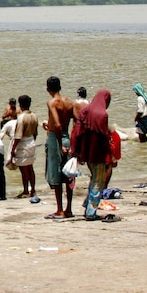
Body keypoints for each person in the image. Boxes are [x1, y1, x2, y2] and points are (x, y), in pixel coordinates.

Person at [71, 90, 114, 220]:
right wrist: (111, 154)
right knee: (98, 182)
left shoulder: (85, 111)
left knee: (94, 178)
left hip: (87, 152)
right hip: (99, 153)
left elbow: (76, 132)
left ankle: (87, 203)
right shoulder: (102, 114)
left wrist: (76, 151)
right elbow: (104, 136)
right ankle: (91, 211)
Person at [44, 76, 75, 220]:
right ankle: (69, 208)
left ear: (48, 89)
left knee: (56, 173)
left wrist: (59, 143)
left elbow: (56, 124)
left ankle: (59, 210)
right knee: (69, 174)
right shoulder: (69, 102)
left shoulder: (52, 102)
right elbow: (77, 121)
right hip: (67, 137)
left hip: (55, 139)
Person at [11, 95, 39, 198]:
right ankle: (33, 190)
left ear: (20, 104)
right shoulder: (34, 116)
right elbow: (36, 132)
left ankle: (26, 190)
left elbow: (18, 136)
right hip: (32, 141)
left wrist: (13, 149)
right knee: (30, 167)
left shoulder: (21, 117)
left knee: (23, 169)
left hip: (23, 142)